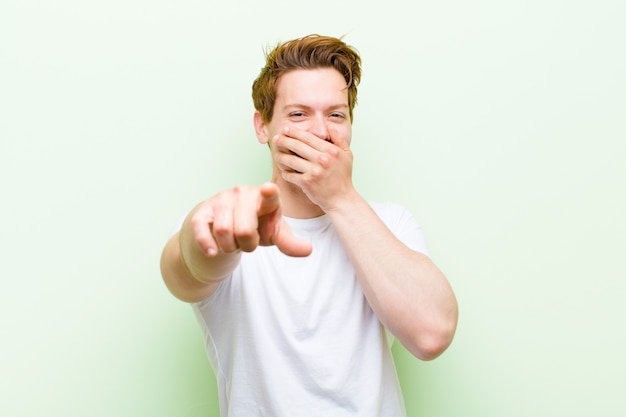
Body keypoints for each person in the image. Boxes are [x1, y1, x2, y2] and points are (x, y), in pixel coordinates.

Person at [160, 34, 458, 416]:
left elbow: (432, 333)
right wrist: (204, 240)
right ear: (262, 126)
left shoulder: (391, 224)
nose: (320, 132)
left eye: (336, 115)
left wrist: (339, 197)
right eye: (298, 114)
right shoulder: (230, 222)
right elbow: (184, 271)